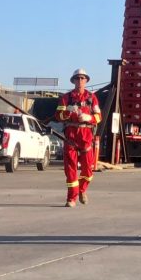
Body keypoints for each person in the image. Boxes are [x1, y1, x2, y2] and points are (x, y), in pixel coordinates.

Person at [55, 68, 102, 207]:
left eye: (82, 78)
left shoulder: (92, 98)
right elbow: (58, 116)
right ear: (73, 80)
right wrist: (67, 113)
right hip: (71, 136)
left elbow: (99, 117)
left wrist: (90, 117)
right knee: (70, 169)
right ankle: (72, 198)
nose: (80, 80)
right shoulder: (66, 98)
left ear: (86, 80)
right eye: (77, 78)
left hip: (86, 136)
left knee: (88, 169)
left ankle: (82, 190)